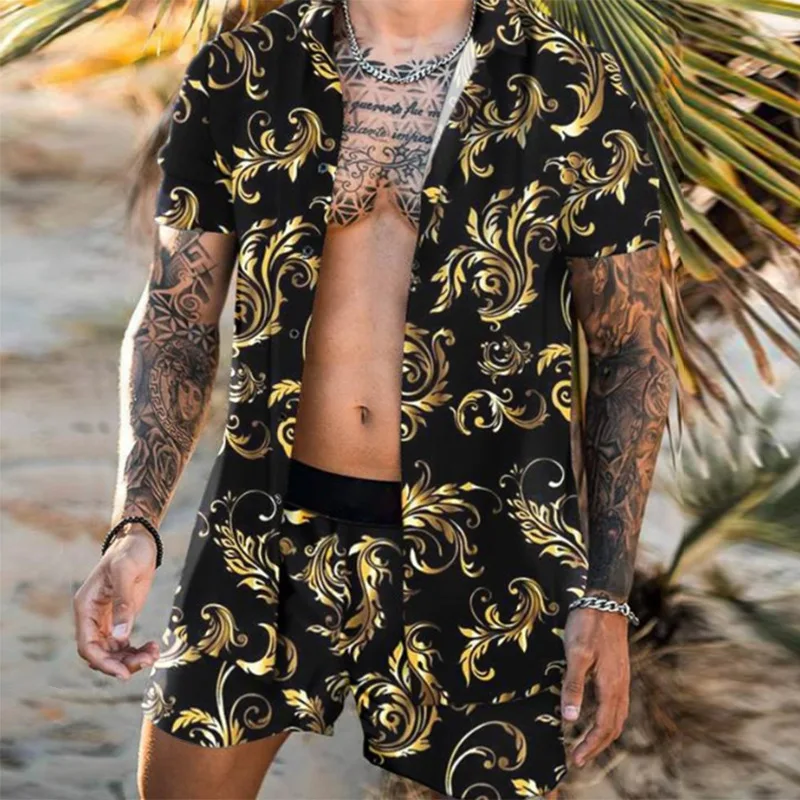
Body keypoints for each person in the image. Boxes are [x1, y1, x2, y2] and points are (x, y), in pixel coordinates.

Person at [72, 0, 673, 797]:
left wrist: (607, 593)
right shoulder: (243, 73)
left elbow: (631, 352)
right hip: (266, 533)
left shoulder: (573, 86)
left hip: (489, 552)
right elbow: (177, 317)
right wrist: (135, 525)